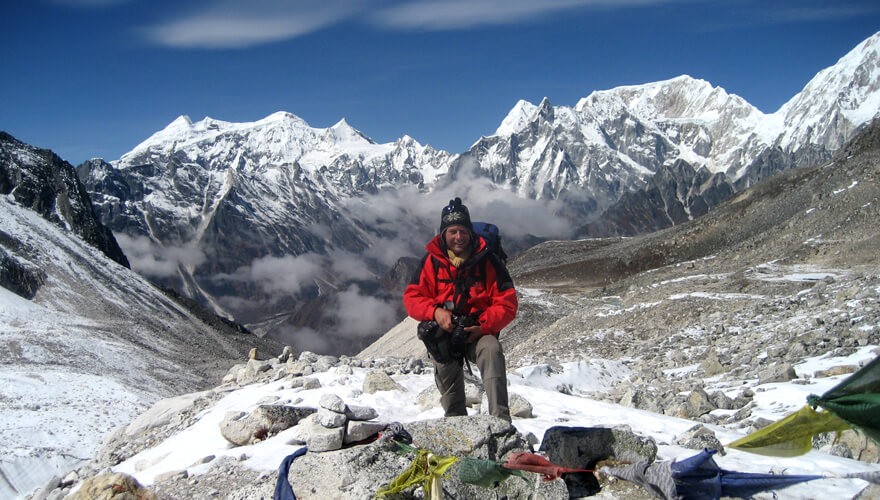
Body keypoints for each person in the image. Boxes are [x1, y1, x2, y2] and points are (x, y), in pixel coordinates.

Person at [403, 197, 518, 420]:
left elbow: (507, 302)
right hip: (445, 333)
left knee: (491, 350)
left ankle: (500, 421)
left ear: (470, 233)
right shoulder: (431, 262)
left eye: (463, 231)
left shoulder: (488, 262)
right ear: (443, 234)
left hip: (478, 331)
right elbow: (412, 297)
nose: (458, 237)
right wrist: (435, 312)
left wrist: (483, 326)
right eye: (452, 231)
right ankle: (455, 420)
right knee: (440, 351)